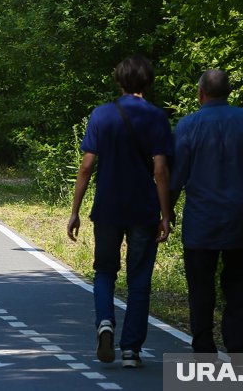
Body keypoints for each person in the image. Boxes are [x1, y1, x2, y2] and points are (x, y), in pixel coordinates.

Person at [67, 55, 173, 368]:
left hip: (108, 208)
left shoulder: (101, 115)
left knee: (104, 271)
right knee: (139, 279)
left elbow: (86, 166)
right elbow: (161, 169)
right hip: (143, 209)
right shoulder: (156, 117)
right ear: (148, 82)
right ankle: (131, 350)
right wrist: (166, 214)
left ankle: (105, 324)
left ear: (119, 81)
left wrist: (74, 211)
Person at [170, 69, 243, 358]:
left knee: (200, 287)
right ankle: (237, 346)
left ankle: (204, 348)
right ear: (228, 92)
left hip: (201, 222)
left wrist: (166, 213)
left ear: (201, 93)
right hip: (241, 220)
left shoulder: (188, 125)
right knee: (241, 287)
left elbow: (176, 177)